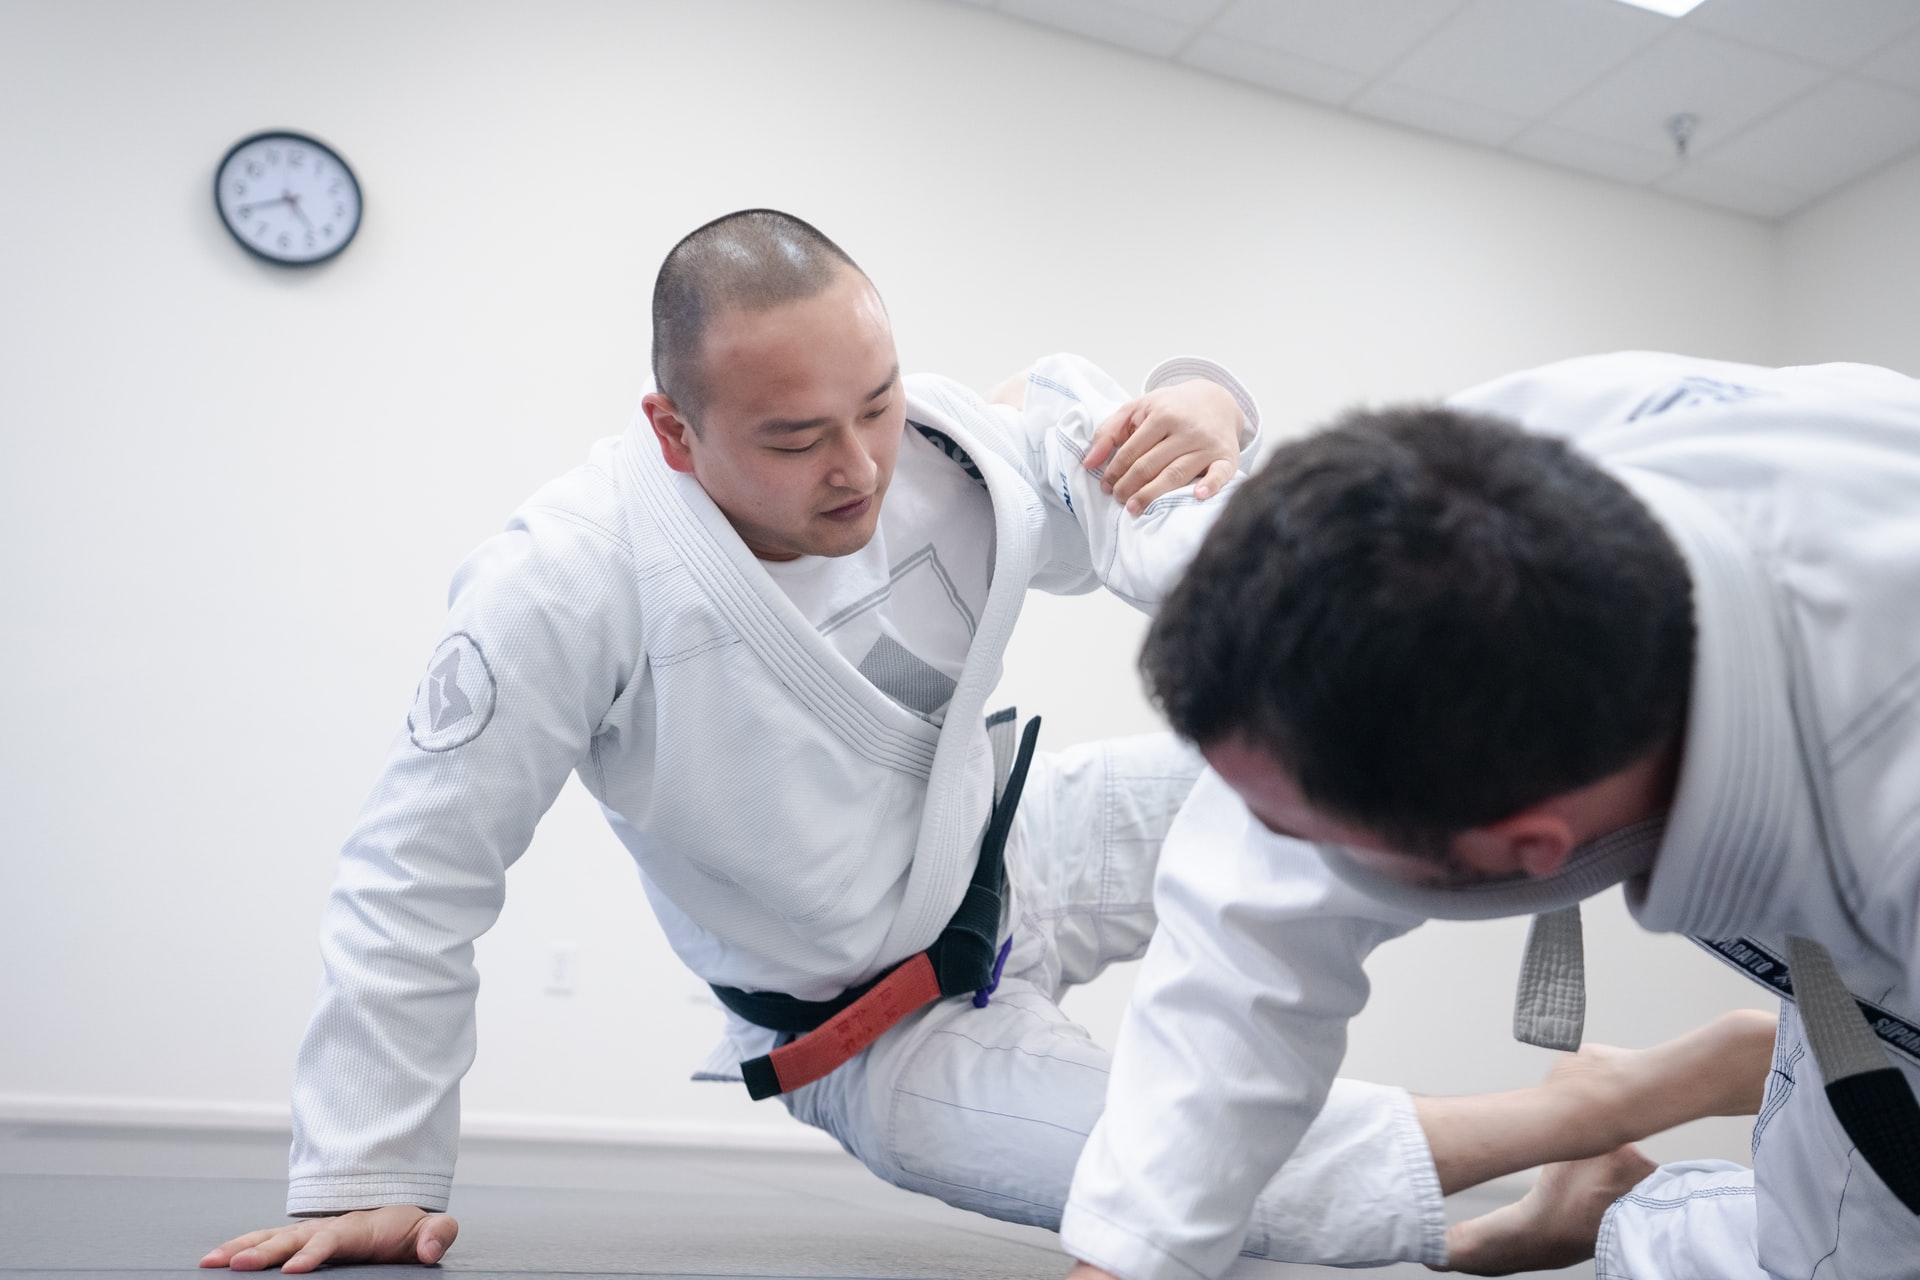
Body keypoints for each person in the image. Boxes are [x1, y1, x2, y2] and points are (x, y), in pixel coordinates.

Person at [200, 215, 1767, 1276]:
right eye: (797, 438)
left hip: (1022, 846)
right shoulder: (562, 583)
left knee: (1347, 761)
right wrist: (367, 1169)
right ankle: (1614, 1113)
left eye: (872, 404)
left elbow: (1186, 522)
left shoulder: (962, 445)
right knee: (1180, 1175)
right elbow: (418, 871)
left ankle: (1596, 1078)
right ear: (675, 432)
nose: (860, 464)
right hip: (863, 1031)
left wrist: (1208, 410)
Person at [1065, 351, 1920, 1280]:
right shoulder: (1449, 510)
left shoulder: (1888, 809)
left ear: (1532, 849)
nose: (1267, 856)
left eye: (1305, 839)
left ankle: (1629, 1211)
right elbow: (1242, 936)